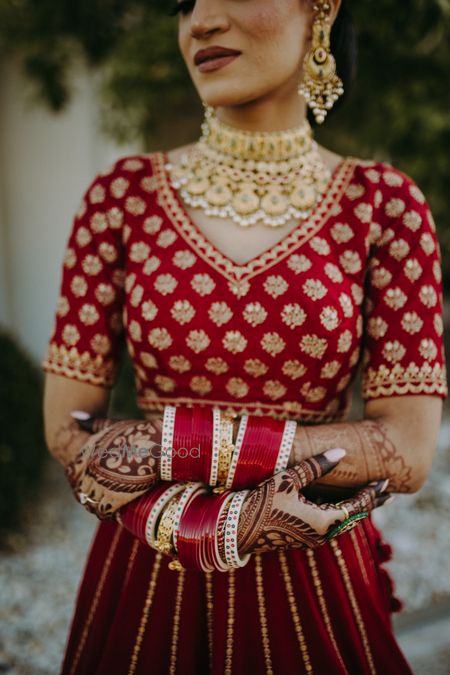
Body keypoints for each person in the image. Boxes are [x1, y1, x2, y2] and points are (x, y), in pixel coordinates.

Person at [41, 0, 448, 673]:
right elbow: (67, 428)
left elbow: (406, 450)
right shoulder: (121, 199)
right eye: (182, 4)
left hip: (315, 577)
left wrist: (168, 447)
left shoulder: (384, 206)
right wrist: (211, 523)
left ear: (321, 8)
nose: (197, 22)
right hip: (148, 573)